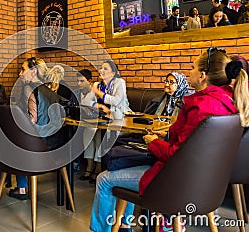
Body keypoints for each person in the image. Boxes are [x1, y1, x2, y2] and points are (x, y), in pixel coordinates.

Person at [90, 48, 249, 232]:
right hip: (209, 185)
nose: (190, 71)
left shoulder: (201, 106)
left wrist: (152, 142)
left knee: (104, 179)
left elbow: (177, 155)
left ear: (202, 76)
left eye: (192, 67)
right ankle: (125, 226)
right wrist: (163, 137)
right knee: (122, 162)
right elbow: (193, 147)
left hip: (177, 181)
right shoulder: (230, 103)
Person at [9, 57, 63, 200]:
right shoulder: (50, 91)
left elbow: (31, 119)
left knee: (12, 141)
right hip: (52, 146)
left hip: (37, 148)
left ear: (33, 72)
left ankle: (21, 189)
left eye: (23, 69)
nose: (20, 74)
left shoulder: (28, 88)